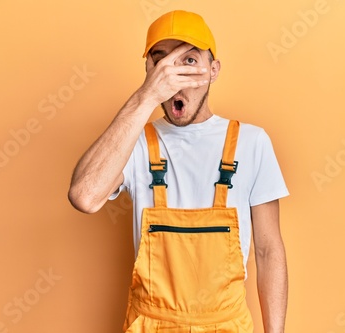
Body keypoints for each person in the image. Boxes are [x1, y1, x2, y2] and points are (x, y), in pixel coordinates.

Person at [68, 10, 289, 333]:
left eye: (188, 60)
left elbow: (269, 251)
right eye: (160, 61)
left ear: (213, 71)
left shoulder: (252, 142)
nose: (173, 76)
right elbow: (84, 196)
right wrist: (146, 96)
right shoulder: (135, 142)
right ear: (149, 71)